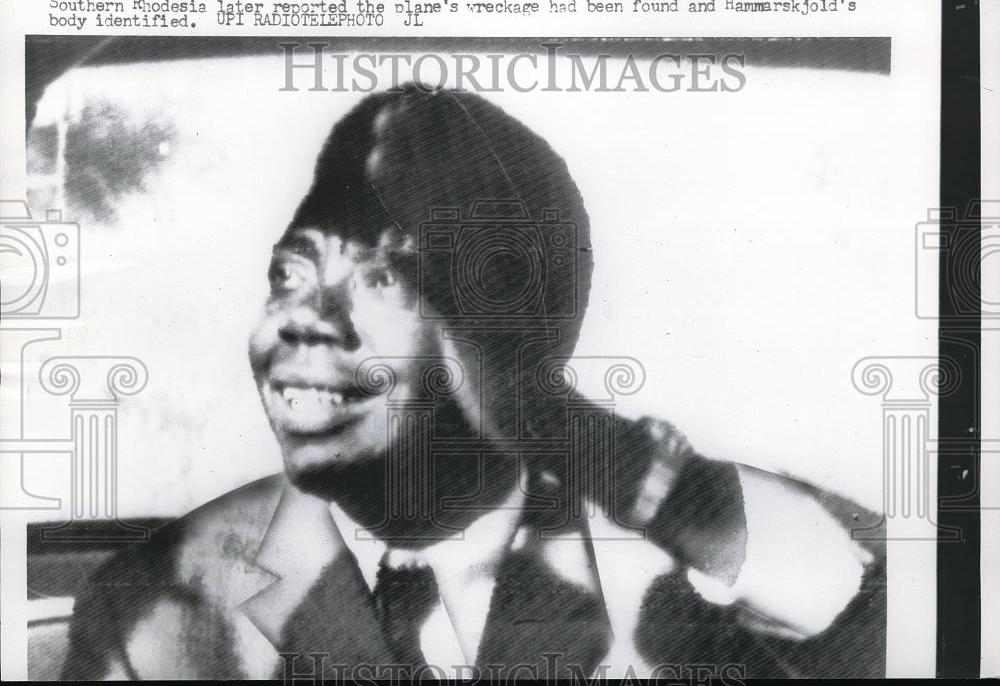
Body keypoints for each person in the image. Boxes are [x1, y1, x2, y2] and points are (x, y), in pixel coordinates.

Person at [62, 86, 885, 680]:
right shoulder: (152, 606)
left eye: (386, 276)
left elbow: (890, 617)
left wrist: (569, 434)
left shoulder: (680, 559)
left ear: (511, 333)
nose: (303, 316)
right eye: (289, 270)